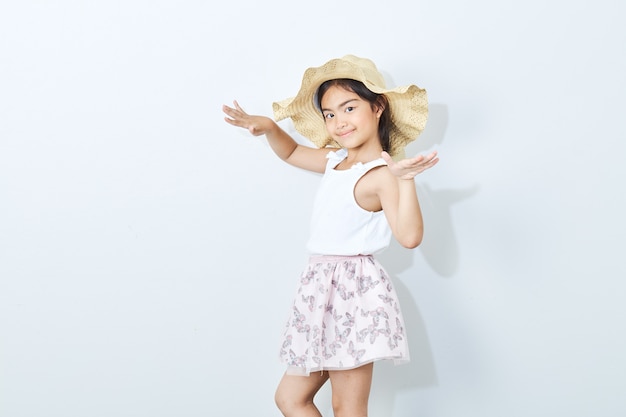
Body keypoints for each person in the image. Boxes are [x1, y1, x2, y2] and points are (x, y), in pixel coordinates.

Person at [222, 55, 438, 417]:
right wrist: (269, 127)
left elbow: (410, 237)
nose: (339, 121)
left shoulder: (383, 173)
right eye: (329, 114)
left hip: (352, 293)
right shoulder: (333, 161)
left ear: (378, 106)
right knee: (290, 399)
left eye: (349, 107)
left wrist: (407, 180)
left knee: (347, 407)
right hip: (319, 289)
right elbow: (290, 151)